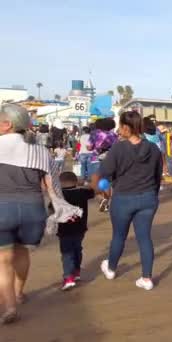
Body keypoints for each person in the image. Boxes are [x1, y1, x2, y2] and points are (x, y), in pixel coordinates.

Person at [0, 104, 80, 324]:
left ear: (7, 124)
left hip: (2, 209)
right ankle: (18, 293)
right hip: (33, 209)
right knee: (22, 253)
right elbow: (51, 185)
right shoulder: (40, 151)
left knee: (3, 260)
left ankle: (9, 306)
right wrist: (59, 208)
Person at [93, 110, 163, 291]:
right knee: (145, 238)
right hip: (148, 198)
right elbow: (157, 176)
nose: (118, 130)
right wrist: (152, 194)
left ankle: (111, 268)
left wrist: (102, 188)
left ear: (126, 127)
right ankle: (146, 278)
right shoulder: (154, 149)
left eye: (120, 127)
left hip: (123, 198)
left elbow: (105, 175)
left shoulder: (118, 148)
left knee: (119, 236)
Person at [54, 171, 95, 291]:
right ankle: (76, 272)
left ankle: (68, 277)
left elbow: (51, 210)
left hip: (64, 230)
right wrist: (84, 183)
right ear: (76, 182)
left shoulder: (58, 195)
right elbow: (93, 189)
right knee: (77, 249)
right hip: (80, 229)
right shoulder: (82, 192)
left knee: (67, 253)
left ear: (59, 183)